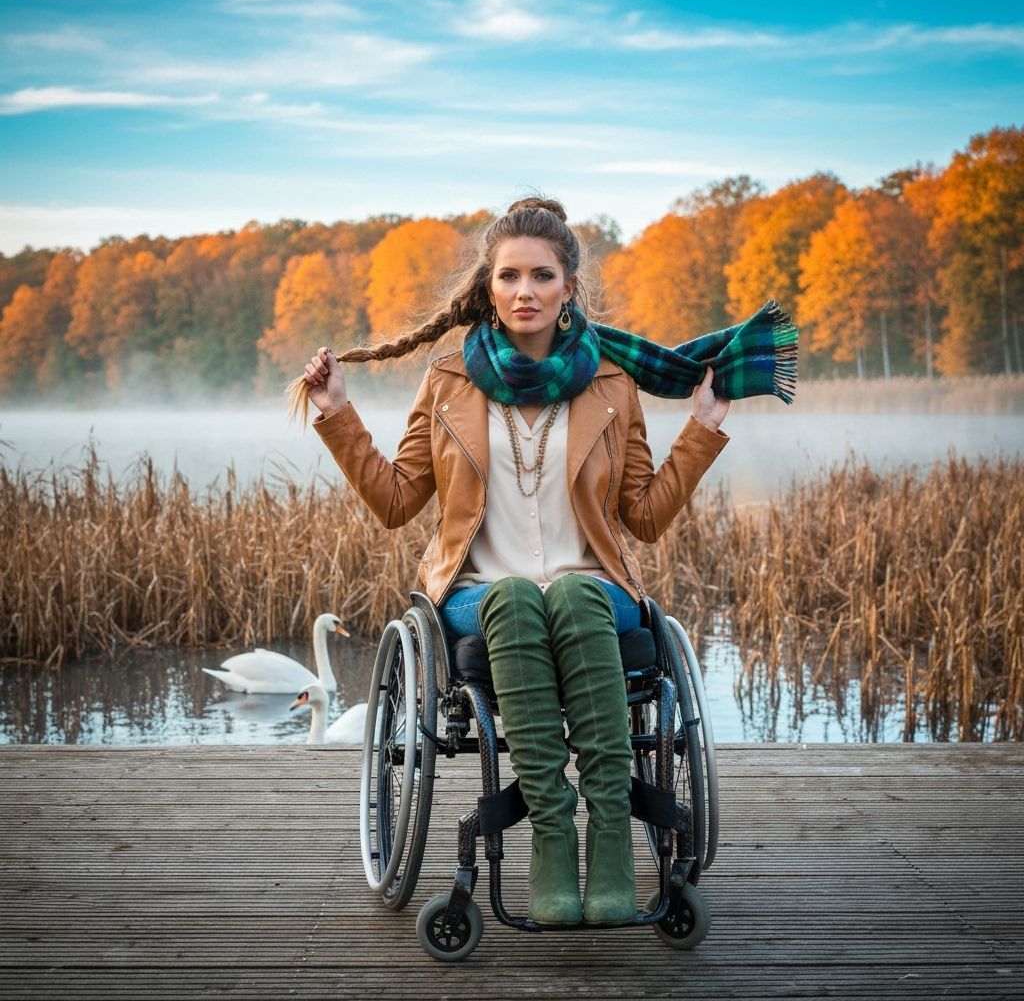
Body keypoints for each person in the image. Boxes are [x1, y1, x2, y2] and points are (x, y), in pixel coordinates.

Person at [295, 197, 793, 928]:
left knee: (569, 596)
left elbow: (645, 518)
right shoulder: (448, 383)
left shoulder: (613, 386)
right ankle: (554, 839)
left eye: (541, 275)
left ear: (568, 288)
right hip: (476, 592)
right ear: (487, 287)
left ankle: (612, 839)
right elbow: (398, 501)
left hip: (594, 587)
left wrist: (702, 429)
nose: (524, 290)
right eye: (509, 276)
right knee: (518, 597)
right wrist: (338, 412)